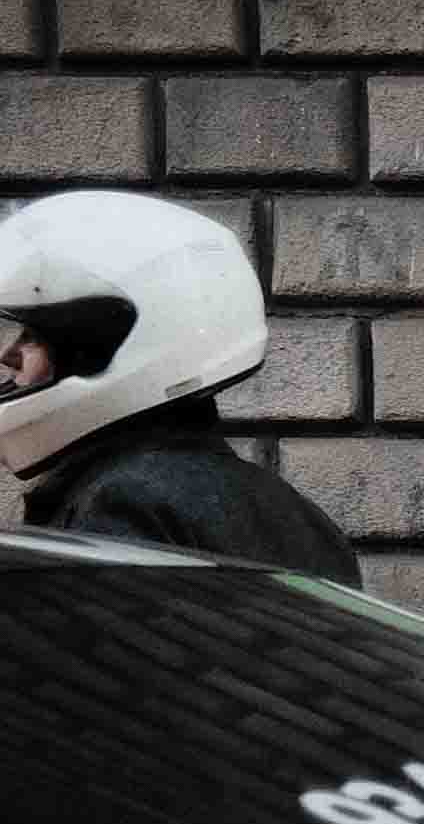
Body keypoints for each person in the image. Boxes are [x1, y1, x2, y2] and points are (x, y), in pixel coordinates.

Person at [0, 190, 360, 585]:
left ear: (93, 349)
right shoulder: (301, 516)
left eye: (35, 335)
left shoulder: (123, 503)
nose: (8, 354)